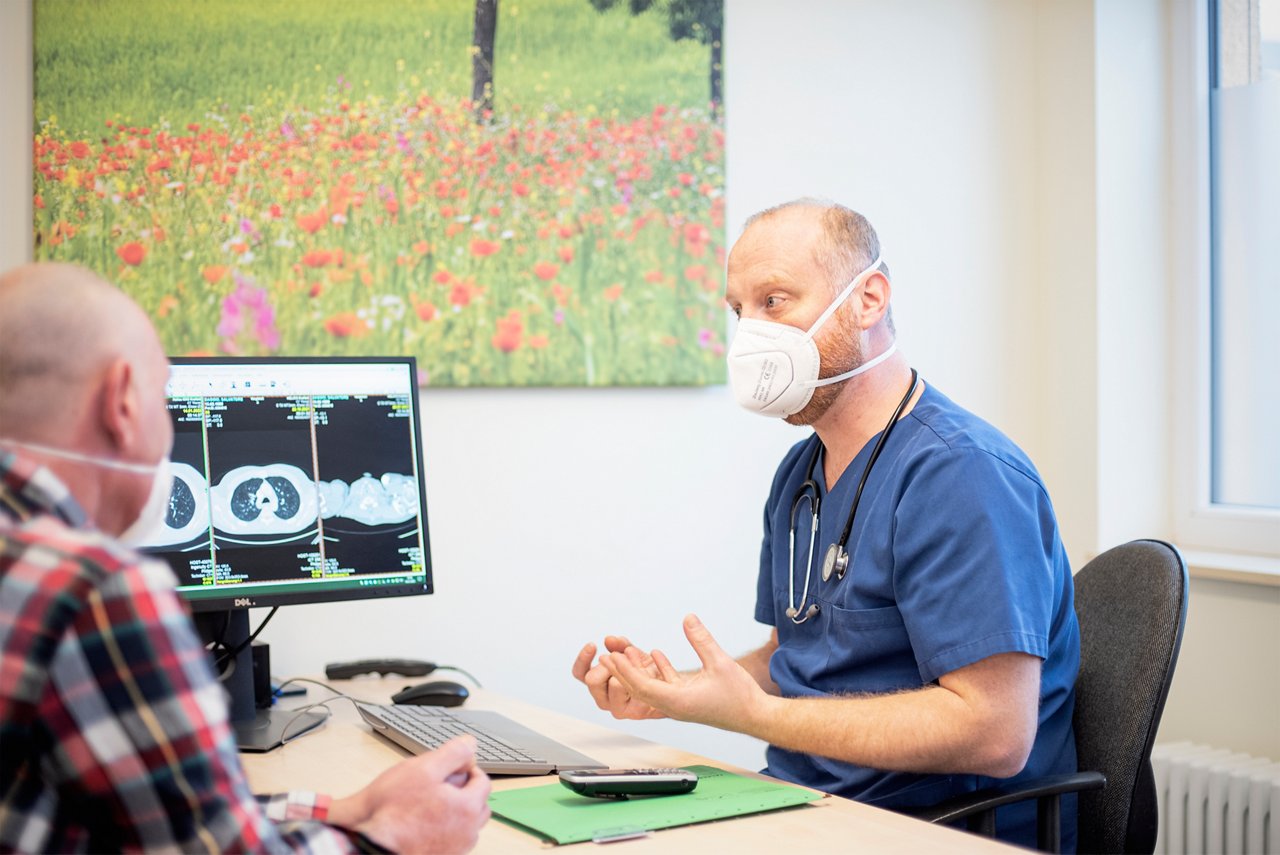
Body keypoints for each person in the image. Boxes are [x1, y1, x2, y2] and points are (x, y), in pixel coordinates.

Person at [572, 200, 1080, 850]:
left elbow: (995, 732)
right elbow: (803, 649)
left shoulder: (962, 474)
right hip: (804, 803)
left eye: (774, 300)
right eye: (738, 310)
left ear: (868, 299)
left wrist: (760, 715)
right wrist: (685, 692)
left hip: (934, 829)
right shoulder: (802, 474)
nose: (749, 333)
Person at [0, 263, 492, 853]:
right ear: (122, 401)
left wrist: (340, 808)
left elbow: (166, 818)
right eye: (165, 397)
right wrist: (395, 835)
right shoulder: (91, 592)